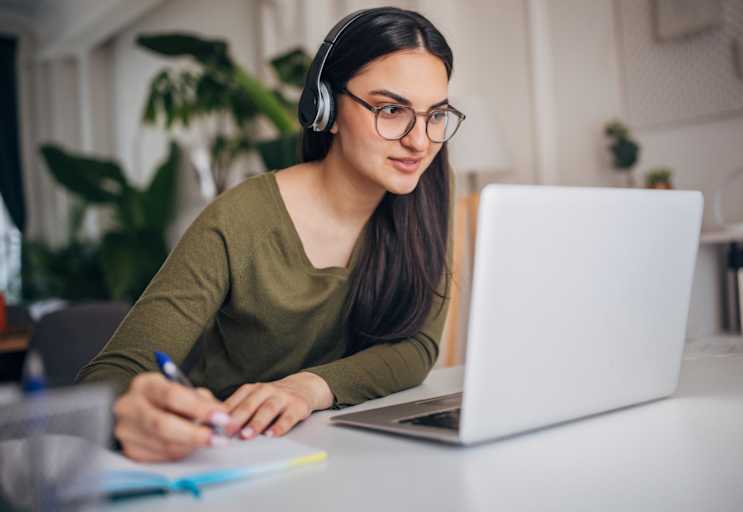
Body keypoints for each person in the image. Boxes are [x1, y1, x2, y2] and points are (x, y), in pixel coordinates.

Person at [77, 6, 465, 462]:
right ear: (326, 109)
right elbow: (110, 376)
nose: (420, 142)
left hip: (346, 456)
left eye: (435, 115)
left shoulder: (428, 189)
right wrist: (132, 410)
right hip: (227, 456)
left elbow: (416, 347)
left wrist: (310, 387)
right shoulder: (240, 218)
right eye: (392, 109)